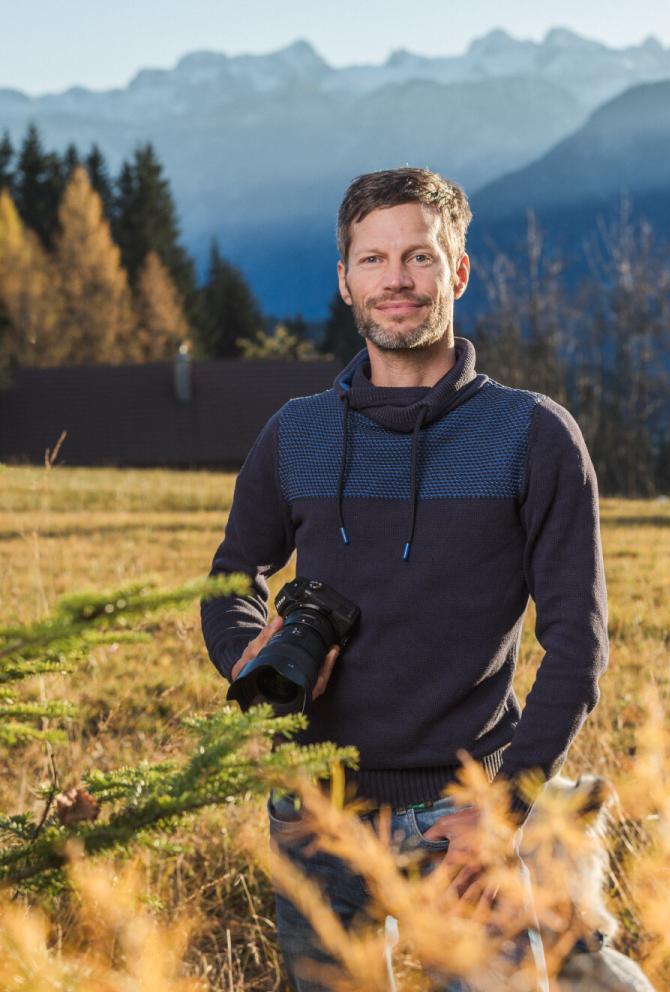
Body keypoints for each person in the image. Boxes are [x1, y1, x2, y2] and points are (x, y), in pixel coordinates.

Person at [201, 167, 609, 991]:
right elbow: (231, 578)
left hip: (463, 816)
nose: (396, 281)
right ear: (345, 278)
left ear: (457, 272)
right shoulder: (298, 433)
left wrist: (500, 810)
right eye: (373, 260)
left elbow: (577, 645)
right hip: (314, 811)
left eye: (419, 258)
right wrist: (253, 655)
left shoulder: (532, 435)